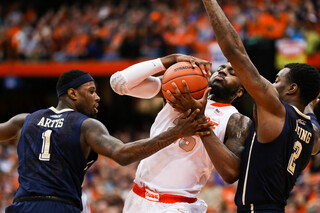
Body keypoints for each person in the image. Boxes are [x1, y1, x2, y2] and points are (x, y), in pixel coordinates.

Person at [167, 0, 320, 212]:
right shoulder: (311, 133)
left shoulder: (276, 110)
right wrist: (310, 106)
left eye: (277, 80)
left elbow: (234, 51)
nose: (272, 84)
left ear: (292, 89)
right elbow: (314, 125)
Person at [0, 69, 212, 213]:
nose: (98, 97)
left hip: (21, 205)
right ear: (72, 93)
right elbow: (123, 154)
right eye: (91, 91)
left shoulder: (24, 120)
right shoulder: (85, 125)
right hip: (60, 206)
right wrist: (176, 133)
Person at [110, 53, 251, 212]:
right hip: (137, 197)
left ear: (240, 91)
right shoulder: (180, 92)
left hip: (178, 204)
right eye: (221, 68)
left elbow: (231, 174)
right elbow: (118, 83)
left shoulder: (236, 120)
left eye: (232, 73)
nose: (223, 71)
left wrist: (200, 121)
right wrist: (170, 60)